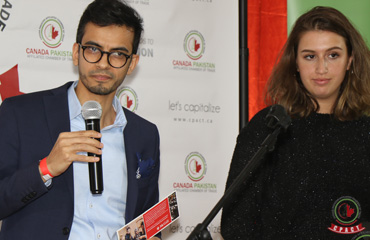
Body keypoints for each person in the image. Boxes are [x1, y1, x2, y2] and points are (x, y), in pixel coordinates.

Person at [0, 0, 161, 239]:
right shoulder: (20, 114)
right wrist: (46, 168)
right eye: (93, 49)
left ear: (132, 63)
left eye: (118, 54)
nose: (103, 63)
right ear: (77, 53)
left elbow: (144, 223)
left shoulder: (145, 134)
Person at [221, 6, 370, 239]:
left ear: (350, 60)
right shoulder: (269, 126)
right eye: (310, 56)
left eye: (333, 55)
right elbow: (236, 224)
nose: (322, 68)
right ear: (295, 63)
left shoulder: (366, 132)